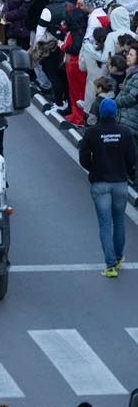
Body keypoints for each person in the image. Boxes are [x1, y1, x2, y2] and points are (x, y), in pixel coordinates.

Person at [78, 96, 137, 277]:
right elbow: (132, 159)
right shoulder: (125, 132)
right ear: (116, 113)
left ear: (100, 113)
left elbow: (84, 158)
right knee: (119, 220)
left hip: (100, 183)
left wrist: (94, 170)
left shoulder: (92, 132)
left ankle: (110, 266)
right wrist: (126, 173)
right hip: (120, 183)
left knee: (105, 224)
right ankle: (119, 258)